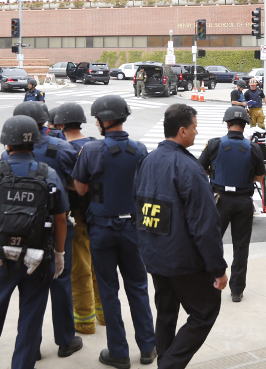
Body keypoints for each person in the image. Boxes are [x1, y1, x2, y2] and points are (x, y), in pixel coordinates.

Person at [0, 115, 69, 369]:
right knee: (30, 322)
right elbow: (61, 218)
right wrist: (61, 254)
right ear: (35, 144)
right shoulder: (48, 174)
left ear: (6, 144)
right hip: (37, 260)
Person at [134, 104, 228, 369]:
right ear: (182, 130)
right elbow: (205, 226)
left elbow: (138, 206)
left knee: (166, 312)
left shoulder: (148, 160)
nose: (197, 133)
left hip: (154, 255)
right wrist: (217, 269)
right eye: (195, 128)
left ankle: (165, 360)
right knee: (205, 311)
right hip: (183, 260)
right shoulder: (189, 167)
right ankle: (169, 365)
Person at [72, 95, 157, 369]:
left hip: (102, 229)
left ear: (103, 121)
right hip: (134, 228)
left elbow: (81, 188)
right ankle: (148, 347)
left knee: (109, 290)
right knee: (138, 288)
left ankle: (118, 352)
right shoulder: (140, 148)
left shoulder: (92, 151)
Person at [13, 101, 83, 358]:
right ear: (45, 122)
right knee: (60, 281)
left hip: (20, 224)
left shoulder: (9, 151)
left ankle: (30, 347)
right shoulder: (62, 148)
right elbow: (77, 184)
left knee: (29, 287)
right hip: (56, 225)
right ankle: (65, 340)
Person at [198, 106, 265, 302]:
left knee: (212, 243)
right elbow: (260, 178)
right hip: (243, 202)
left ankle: (210, 283)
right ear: (245, 124)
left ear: (227, 123)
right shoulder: (254, 148)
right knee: (241, 247)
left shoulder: (214, 144)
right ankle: (237, 290)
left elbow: (200, 169)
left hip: (219, 200)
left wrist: (215, 174)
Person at [54, 103, 104, 334]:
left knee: (80, 269)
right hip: (100, 216)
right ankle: (104, 315)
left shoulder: (62, 149)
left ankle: (85, 321)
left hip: (76, 217)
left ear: (60, 124)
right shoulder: (96, 144)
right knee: (100, 268)